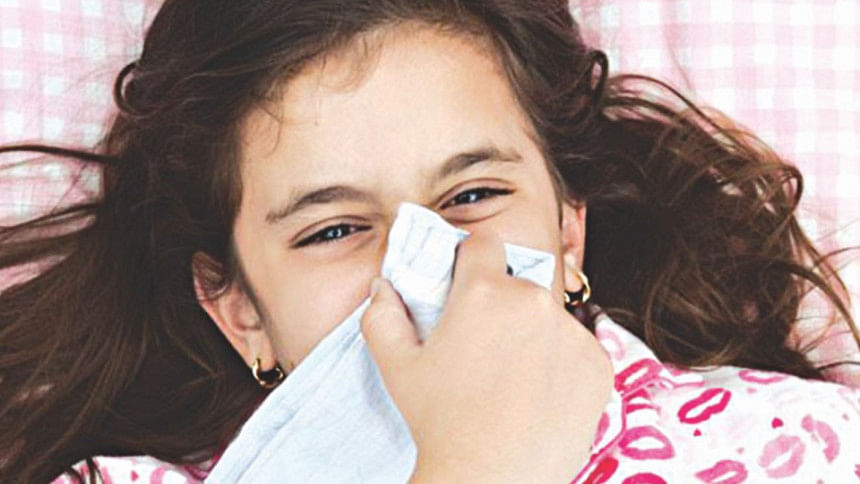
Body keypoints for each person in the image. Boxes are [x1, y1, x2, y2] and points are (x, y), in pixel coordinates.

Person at [1, 0, 858, 482]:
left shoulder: (802, 447)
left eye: (474, 194)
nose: (426, 263)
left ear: (568, 228)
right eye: (335, 229)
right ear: (239, 311)